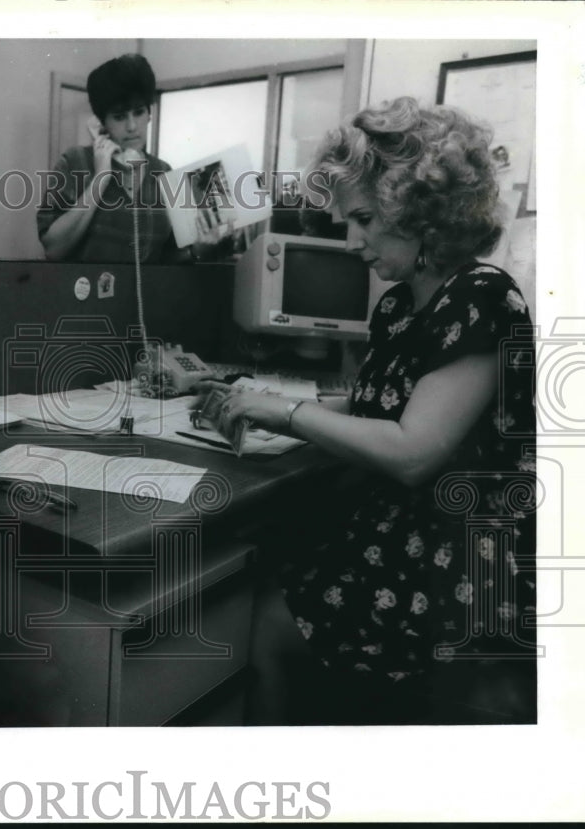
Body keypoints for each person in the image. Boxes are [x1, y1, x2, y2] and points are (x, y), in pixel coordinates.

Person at [192, 97, 536, 724]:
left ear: (421, 210)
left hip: (454, 558)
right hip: (398, 536)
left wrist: (289, 414)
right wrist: (262, 402)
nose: (352, 243)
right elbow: (383, 396)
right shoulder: (402, 304)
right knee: (267, 570)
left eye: (363, 219)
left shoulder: (484, 295)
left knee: (267, 618)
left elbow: (413, 451)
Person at [37, 53, 230, 264]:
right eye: (119, 117)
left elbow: (166, 258)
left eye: (138, 113)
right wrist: (100, 179)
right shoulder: (75, 162)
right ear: (102, 123)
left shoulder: (163, 172)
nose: (131, 126)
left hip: (145, 297)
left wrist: (197, 250)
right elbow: (53, 249)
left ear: (149, 114)